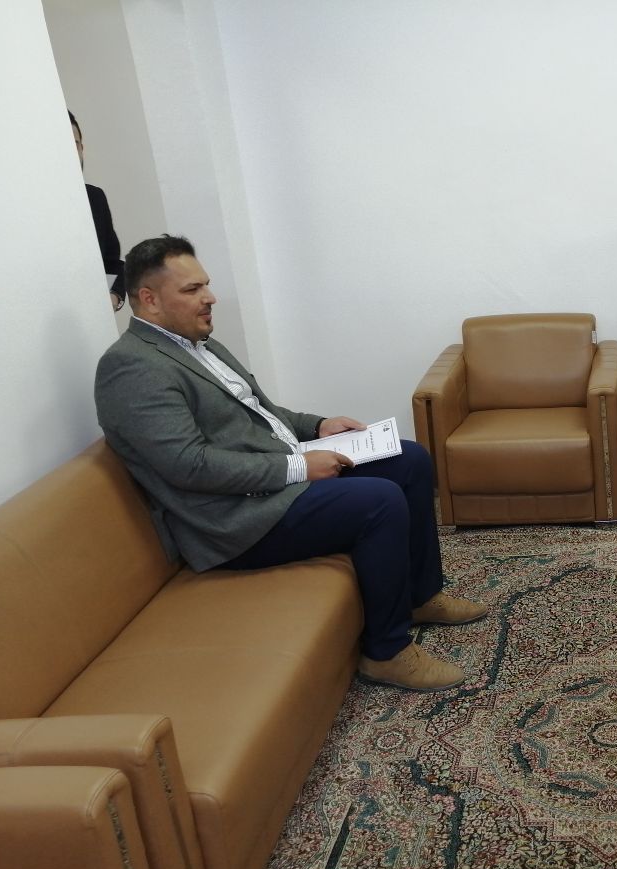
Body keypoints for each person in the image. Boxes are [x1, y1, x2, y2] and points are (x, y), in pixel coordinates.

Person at [95, 235, 485, 692]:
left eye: (206, 285)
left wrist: (318, 426)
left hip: (274, 480)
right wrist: (299, 468)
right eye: (192, 289)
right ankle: (386, 652)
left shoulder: (198, 344)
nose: (210, 297)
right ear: (149, 299)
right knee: (379, 501)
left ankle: (421, 595)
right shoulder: (132, 367)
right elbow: (188, 466)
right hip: (236, 520)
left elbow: (261, 413)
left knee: (409, 458)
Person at [71, 110, 126, 312]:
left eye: (75, 144)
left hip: (92, 316)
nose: (71, 152)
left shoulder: (94, 197)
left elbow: (112, 263)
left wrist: (114, 296)